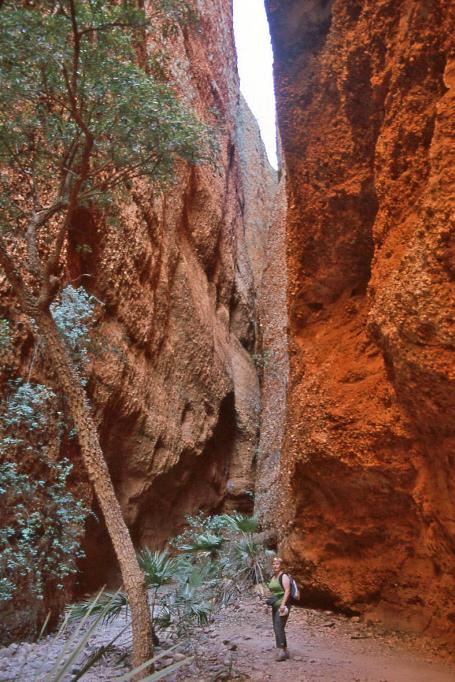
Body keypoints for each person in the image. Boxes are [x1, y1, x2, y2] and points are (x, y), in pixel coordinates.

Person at [267, 556, 291, 661]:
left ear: (281, 565)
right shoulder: (273, 576)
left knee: (279, 626)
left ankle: (282, 651)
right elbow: (273, 590)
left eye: (277, 564)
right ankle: (283, 649)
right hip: (275, 605)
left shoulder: (283, 576)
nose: (275, 566)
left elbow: (287, 590)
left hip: (283, 605)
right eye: (273, 564)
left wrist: (283, 604)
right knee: (276, 626)